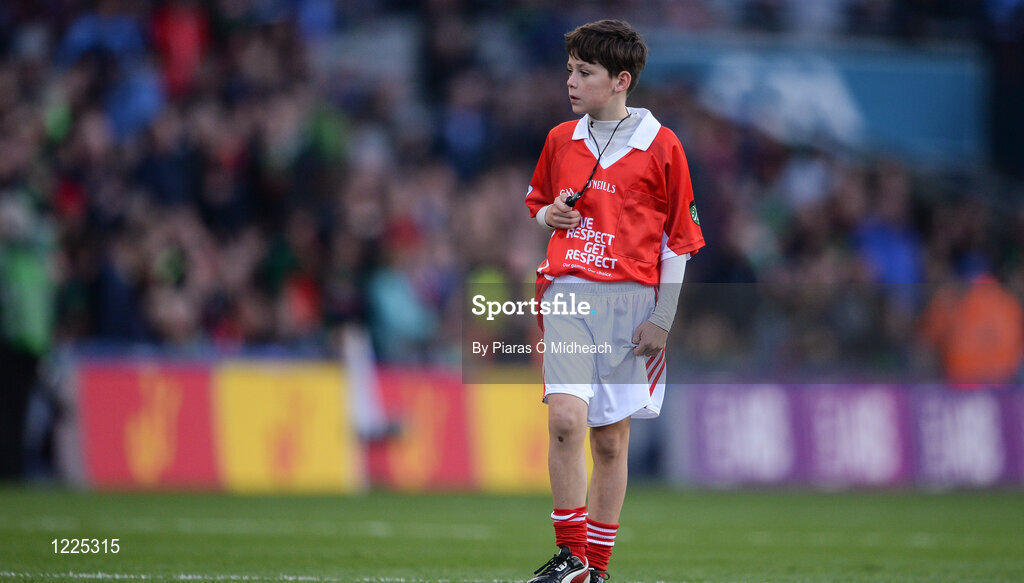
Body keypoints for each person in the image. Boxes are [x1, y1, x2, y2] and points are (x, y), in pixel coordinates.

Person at [523, 20, 704, 583]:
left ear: (621, 80)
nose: (570, 81)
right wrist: (547, 216)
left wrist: (664, 319)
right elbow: (537, 203)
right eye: (570, 69)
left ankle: (594, 569)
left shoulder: (663, 146)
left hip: (633, 306)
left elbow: (681, 240)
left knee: (609, 440)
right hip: (570, 293)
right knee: (565, 421)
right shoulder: (560, 139)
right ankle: (570, 555)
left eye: (584, 72)